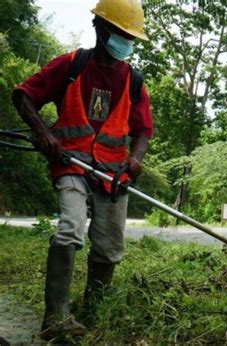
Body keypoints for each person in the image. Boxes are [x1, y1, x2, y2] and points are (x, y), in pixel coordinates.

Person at [12, 0, 153, 340]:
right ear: (100, 29)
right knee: (70, 228)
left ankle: (92, 310)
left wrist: (135, 158)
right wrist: (44, 133)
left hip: (113, 173)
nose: (125, 41)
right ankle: (56, 317)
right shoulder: (72, 65)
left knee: (109, 246)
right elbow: (23, 95)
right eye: (119, 33)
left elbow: (144, 130)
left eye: (129, 36)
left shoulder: (133, 80)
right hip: (71, 164)